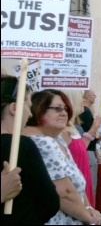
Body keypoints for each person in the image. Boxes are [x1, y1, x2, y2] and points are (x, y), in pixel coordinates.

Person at [23, 89, 101, 225]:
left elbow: (75, 183)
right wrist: (89, 219)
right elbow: (64, 192)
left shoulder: (57, 139)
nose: (64, 113)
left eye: (66, 109)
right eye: (57, 109)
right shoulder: (42, 142)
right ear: (39, 109)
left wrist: (89, 207)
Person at [1, 75, 60, 224]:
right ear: (14, 108)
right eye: (28, 105)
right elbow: (50, 202)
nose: (30, 114)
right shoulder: (21, 146)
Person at [79, 89, 100, 201]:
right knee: (91, 182)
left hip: (89, 149)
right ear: (86, 97)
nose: (95, 96)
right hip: (88, 149)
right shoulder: (86, 112)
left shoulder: (86, 111)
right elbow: (88, 132)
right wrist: (96, 129)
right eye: (93, 95)